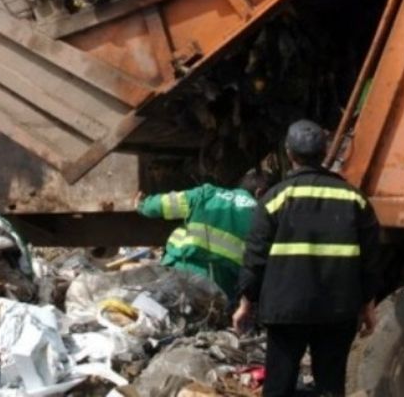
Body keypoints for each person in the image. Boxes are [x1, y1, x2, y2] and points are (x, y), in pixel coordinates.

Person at [232, 119, 382, 397]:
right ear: (325, 153)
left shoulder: (275, 198)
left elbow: (255, 256)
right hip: (338, 310)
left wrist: (246, 302)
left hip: (286, 310)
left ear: (289, 153)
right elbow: (371, 260)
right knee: (330, 386)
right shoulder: (354, 199)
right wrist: (368, 305)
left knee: (279, 385)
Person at [136, 170, 276, 298]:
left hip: (179, 267)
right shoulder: (261, 215)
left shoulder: (207, 193)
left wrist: (142, 205)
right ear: (260, 193)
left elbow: (163, 204)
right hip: (221, 283)